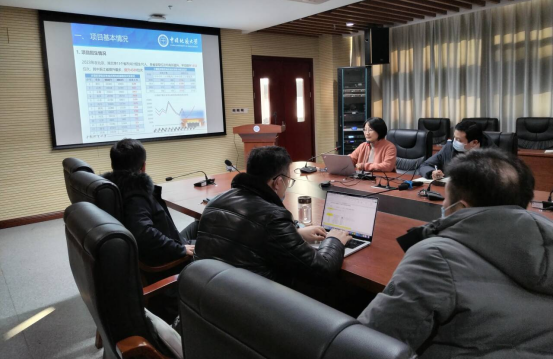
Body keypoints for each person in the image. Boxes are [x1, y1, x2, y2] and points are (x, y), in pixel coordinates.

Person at [358, 148, 553, 358]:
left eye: (445, 200)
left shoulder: (435, 258)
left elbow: (368, 345)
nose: (443, 205)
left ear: (461, 208)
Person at [194, 145, 351, 288]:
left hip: (209, 292)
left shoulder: (215, 202)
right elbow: (323, 270)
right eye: (289, 181)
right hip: (258, 301)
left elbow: (248, 233)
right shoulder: (273, 217)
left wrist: (294, 233)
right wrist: (334, 240)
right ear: (278, 182)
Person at [102, 138, 196, 269]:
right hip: (170, 255)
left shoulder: (114, 188)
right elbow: (143, 233)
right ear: (143, 166)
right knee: (219, 243)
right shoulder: (135, 195)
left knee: (201, 223)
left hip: (169, 241)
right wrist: (180, 249)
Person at [419, 120, 495, 179]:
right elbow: (425, 165)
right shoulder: (449, 147)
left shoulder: (492, 155)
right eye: (454, 137)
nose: (454, 141)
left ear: (474, 142)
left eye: (459, 140)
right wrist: (432, 172)